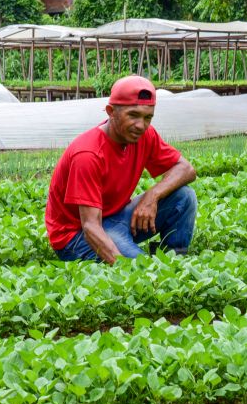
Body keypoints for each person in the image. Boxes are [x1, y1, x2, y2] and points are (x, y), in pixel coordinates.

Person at [45, 75, 197, 264]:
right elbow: (91, 227)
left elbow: (186, 169)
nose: (141, 125)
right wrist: (129, 269)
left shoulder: (144, 135)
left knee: (184, 196)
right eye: (133, 115)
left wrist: (153, 196)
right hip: (76, 237)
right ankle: (153, 267)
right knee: (144, 269)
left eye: (147, 117)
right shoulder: (88, 154)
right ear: (111, 111)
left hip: (115, 218)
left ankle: (175, 260)